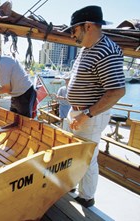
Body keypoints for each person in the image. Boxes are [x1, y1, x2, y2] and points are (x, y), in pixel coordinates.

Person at [63, 6, 125, 207]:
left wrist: (87, 114)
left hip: (89, 116)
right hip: (77, 112)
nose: (72, 35)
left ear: (87, 26)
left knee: (87, 158)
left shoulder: (107, 50)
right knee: (72, 152)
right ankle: (70, 185)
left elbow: (117, 91)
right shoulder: (86, 48)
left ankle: (87, 196)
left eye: (74, 30)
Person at [0, 48, 36, 118]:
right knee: (12, 119)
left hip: (24, 95)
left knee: (24, 122)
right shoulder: (5, 59)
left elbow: (6, 89)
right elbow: (9, 84)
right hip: (19, 94)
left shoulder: (1, 65)